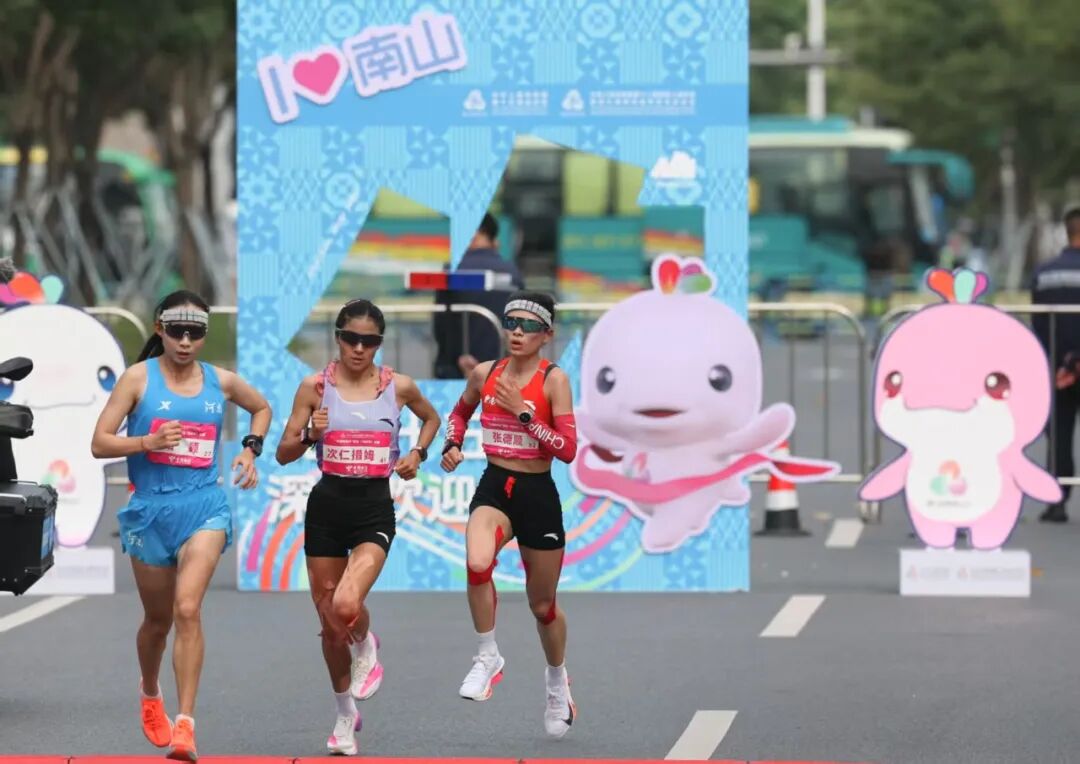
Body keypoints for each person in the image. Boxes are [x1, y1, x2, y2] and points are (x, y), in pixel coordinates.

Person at [91, 290, 271, 762]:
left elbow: (262, 407)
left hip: (204, 507)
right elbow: (99, 443)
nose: (186, 341)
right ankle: (151, 691)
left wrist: (250, 449)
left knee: (188, 608)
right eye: (177, 332)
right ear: (160, 329)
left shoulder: (220, 381)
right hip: (150, 511)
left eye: (195, 333)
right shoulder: (138, 379)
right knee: (158, 621)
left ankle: (185, 726)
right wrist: (146, 442)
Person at [276, 298, 440, 756]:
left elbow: (431, 418)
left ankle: (366, 643)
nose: (359, 348)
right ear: (338, 337)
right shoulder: (314, 387)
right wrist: (311, 434)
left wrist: (417, 454)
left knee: (346, 603)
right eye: (351, 338)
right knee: (330, 625)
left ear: (379, 344)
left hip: (372, 509)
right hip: (327, 508)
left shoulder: (398, 386)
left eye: (369, 341)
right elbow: (283, 453)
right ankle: (345, 715)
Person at [440, 291, 579, 738]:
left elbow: (568, 450)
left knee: (542, 606)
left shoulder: (554, 380)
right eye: (511, 322)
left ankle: (556, 681)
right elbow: (459, 412)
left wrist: (524, 413)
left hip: (538, 493)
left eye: (529, 326)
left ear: (547, 334)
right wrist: (452, 443)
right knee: (477, 562)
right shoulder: (486, 373)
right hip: (495, 485)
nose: (518, 332)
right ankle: (487, 655)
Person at [1031, 207, 1080, 523]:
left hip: (1057, 370)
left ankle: (1057, 502)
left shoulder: (1044, 273)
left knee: (1059, 435)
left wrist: (1055, 362)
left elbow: (1038, 323)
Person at [433, 212, 523, 379]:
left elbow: (441, 327)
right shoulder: (512, 271)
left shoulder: (452, 270)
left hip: (458, 369)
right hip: (503, 368)